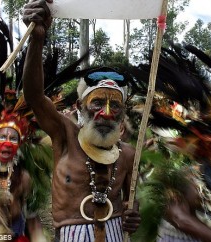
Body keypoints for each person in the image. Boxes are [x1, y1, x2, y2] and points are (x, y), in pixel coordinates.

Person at [22, 1, 141, 241]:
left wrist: (132, 215)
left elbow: (131, 200)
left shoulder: (127, 154)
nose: (106, 113)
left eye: (115, 105)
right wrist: (36, 40)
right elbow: (34, 95)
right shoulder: (64, 134)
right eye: (97, 103)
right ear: (80, 106)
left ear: (122, 113)